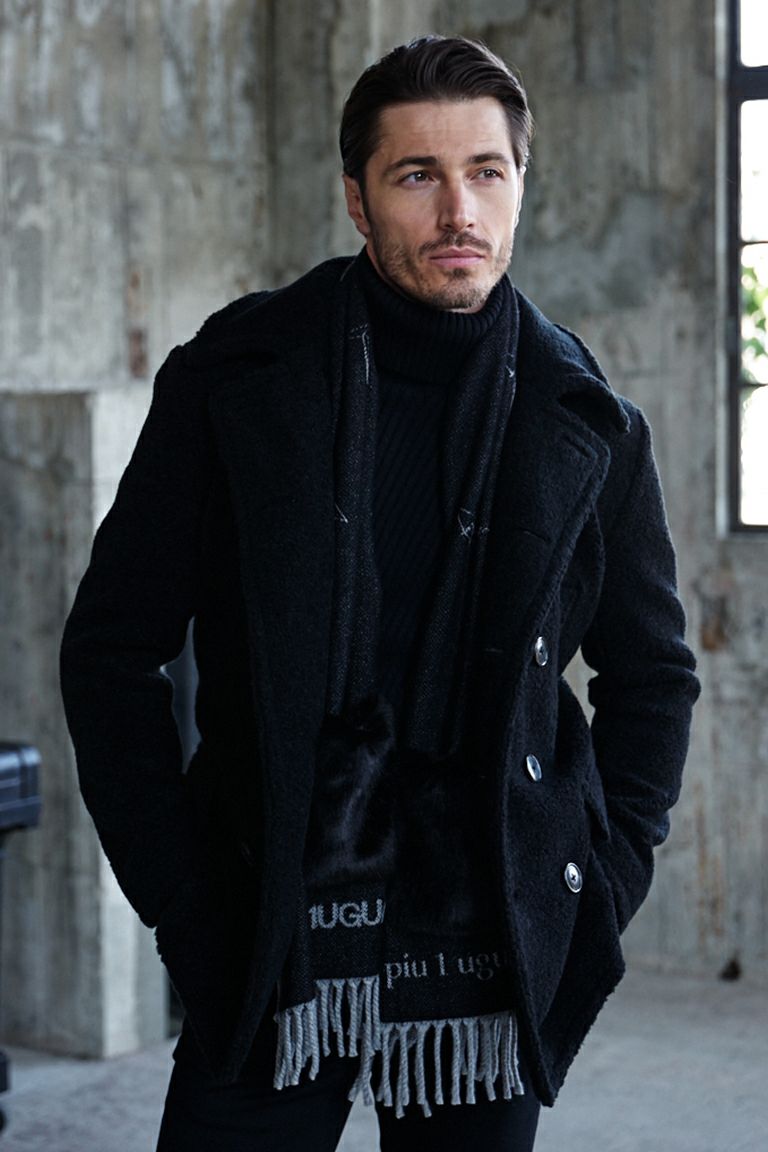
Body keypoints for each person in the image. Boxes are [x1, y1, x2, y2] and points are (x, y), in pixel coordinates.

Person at [60, 35, 699, 1152]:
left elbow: (653, 677)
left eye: (487, 171)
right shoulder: (234, 380)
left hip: (490, 937)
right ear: (357, 199)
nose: (460, 210)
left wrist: (601, 880)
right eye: (417, 175)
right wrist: (184, 902)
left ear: (519, 184)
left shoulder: (586, 417)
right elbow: (111, 653)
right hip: (267, 929)